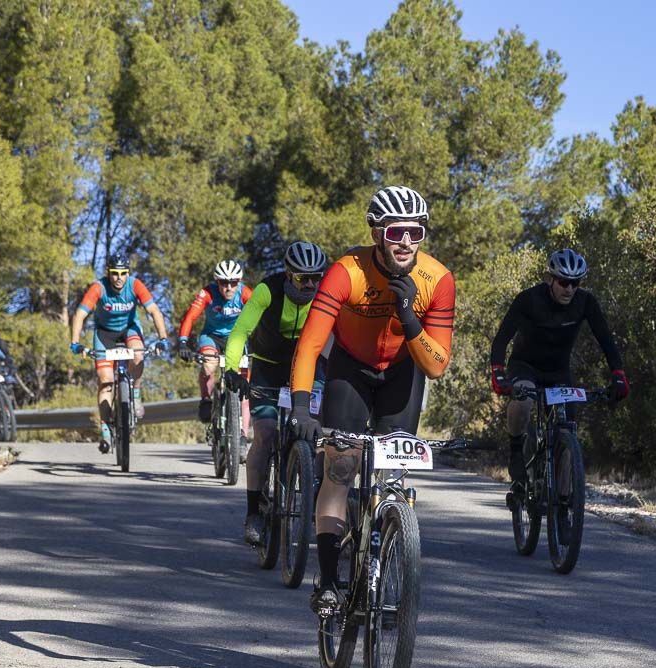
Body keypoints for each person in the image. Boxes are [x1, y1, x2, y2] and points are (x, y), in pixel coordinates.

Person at [288, 185, 456, 613]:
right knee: (340, 465)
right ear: (377, 231)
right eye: (397, 231)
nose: (406, 242)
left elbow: (436, 365)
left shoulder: (437, 280)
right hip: (351, 369)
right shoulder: (348, 271)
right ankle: (327, 579)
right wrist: (302, 407)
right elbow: (309, 346)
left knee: (393, 475)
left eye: (416, 233)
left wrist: (408, 318)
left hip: (403, 372)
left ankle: (386, 539)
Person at [489, 249, 629, 502]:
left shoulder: (586, 302)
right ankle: (516, 449)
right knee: (524, 400)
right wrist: (498, 373)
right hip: (525, 366)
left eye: (576, 283)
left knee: (568, 430)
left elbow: (606, 340)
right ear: (549, 279)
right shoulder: (529, 300)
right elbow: (501, 340)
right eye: (564, 282)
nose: (569, 289)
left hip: (558, 372)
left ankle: (563, 504)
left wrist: (618, 374)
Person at [222, 241, 328, 545]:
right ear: (287, 273)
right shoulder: (267, 291)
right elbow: (240, 331)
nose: (309, 284)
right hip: (268, 366)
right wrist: (232, 369)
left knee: (317, 434)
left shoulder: (323, 292)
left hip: (306, 366)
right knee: (265, 435)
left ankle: (314, 490)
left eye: (315, 277)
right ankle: (254, 511)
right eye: (301, 278)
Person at [70, 258, 170, 453]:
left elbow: (154, 311)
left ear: (127, 273)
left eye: (123, 273)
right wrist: (75, 343)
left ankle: (136, 393)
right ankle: (106, 428)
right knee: (106, 380)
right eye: (115, 273)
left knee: (138, 355)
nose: (119, 278)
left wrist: (163, 338)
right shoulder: (99, 288)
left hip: (129, 330)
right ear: (108, 272)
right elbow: (80, 315)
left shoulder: (135, 285)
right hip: (104, 333)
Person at [177, 260, 253, 428]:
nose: (228, 288)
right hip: (211, 336)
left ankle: (242, 437)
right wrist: (182, 342)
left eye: (233, 283)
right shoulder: (208, 293)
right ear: (216, 282)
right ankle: (206, 398)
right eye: (223, 283)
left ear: (238, 282)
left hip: (237, 338)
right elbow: (190, 317)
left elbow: (261, 317)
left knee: (244, 388)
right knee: (209, 366)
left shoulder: (245, 293)